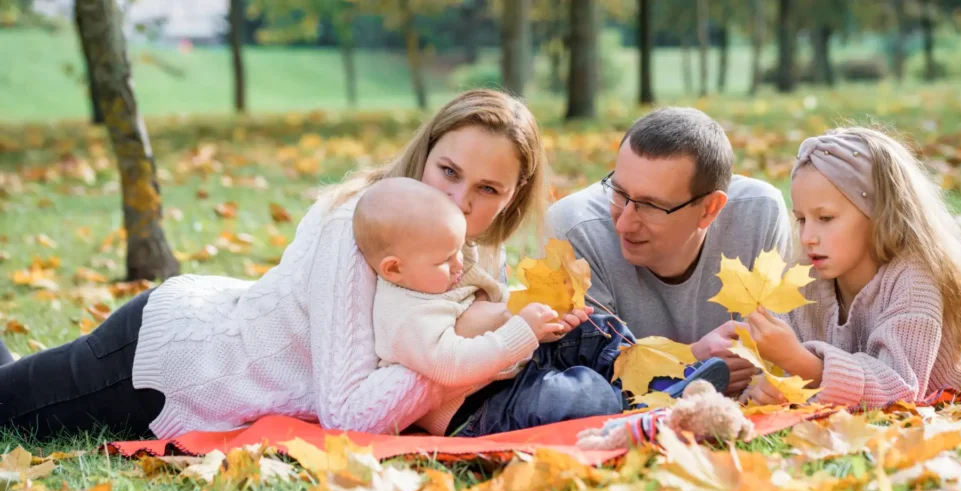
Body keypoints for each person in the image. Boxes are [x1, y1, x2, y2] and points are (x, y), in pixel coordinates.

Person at [0, 89, 584, 441]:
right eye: (449, 172)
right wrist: (467, 357)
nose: (461, 202)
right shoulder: (353, 226)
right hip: (177, 360)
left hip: (219, 326)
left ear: (514, 195)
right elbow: (350, 412)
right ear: (424, 152)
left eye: (488, 189)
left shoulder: (479, 247)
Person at [356, 177, 729, 437]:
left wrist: (537, 313)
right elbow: (449, 365)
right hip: (478, 407)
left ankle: (662, 380)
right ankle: (637, 410)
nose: (458, 265)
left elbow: (495, 303)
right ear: (394, 268)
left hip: (512, 366)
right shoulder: (405, 315)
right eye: (445, 259)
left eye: (458, 252)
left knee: (594, 330)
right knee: (580, 397)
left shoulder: (432, 273)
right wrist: (521, 332)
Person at [744, 127, 961, 407]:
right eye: (801, 219)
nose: (808, 237)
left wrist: (798, 361)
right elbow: (773, 370)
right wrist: (763, 385)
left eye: (826, 218)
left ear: (879, 214)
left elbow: (900, 392)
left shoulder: (913, 279)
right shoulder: (805, 276)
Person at [547, 107, 792, 396]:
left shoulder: (759, 213)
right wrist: (692, 357)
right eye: (619, 192)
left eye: (650, 206)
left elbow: (773, 356)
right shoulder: (575, 228)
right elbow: (587, 372)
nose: (624, 223)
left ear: (709, 209)